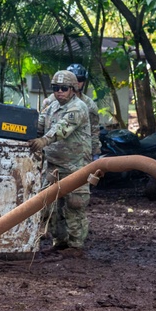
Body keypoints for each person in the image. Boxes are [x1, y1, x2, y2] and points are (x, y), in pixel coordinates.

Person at [28, 70, 92, 257]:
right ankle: (60, 242)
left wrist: (43, 141)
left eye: (64, 88)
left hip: (76, 166)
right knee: (51, 206)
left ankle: (76, 245)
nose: (59, 92)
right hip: (53, 164)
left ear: (73, 89)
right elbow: (38, 125)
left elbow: (62, 128)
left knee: (75, 204)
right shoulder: (51, 107)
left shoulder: (78, 107)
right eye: (56, 88)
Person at [67, 63, 102, 159]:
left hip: (81, 157)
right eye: (74, 79)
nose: (77, 82)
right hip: (56, 157)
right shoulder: (54, 101)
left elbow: (94, 132)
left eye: (80, 79)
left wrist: (96, 154)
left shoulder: (89, 105)